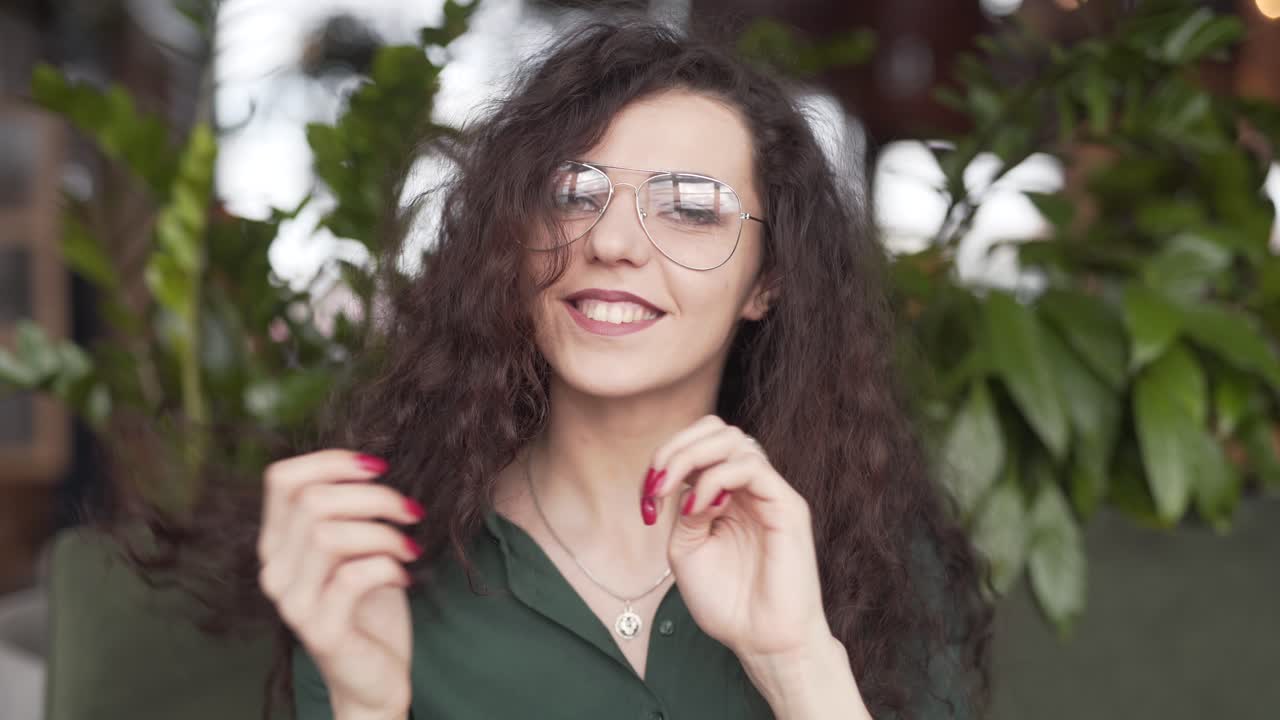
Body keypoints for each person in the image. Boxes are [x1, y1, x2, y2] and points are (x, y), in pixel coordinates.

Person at [256, 19, 991, 720]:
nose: (610, 241)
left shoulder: (881, 560)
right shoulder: (372, 564)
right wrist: (368, 705)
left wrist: (796, 660)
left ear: (767, 282)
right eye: (573, 194)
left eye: (692, 208)